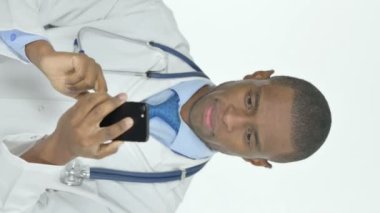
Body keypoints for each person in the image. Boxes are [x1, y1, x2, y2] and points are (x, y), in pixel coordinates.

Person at [0, 0, 331, 212]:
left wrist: (54, 151)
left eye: (249, 136)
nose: (231, 118)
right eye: (250, 101)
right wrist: (37, 49)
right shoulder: (145, 18)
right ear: (256, 76)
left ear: (254, 160)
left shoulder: (146, 204)